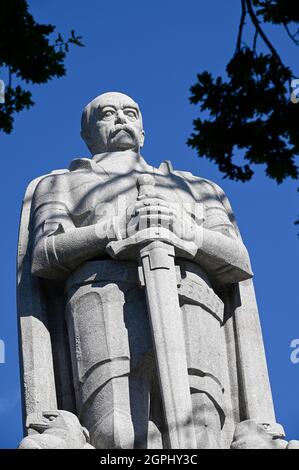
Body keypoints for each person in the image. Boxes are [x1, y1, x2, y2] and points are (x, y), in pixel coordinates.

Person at [28, 92, 254, 449]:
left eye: (130, 112)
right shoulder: (59, 184)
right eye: (107, 114)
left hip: (193, 302)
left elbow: (239, 261)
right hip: (103, 300)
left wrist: (186, 230)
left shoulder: (197, 188)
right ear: (88, 135)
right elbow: (44, 255)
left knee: (204, 429)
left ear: (143, 131)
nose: (120, 118)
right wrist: (113, 228)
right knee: (117, 433)